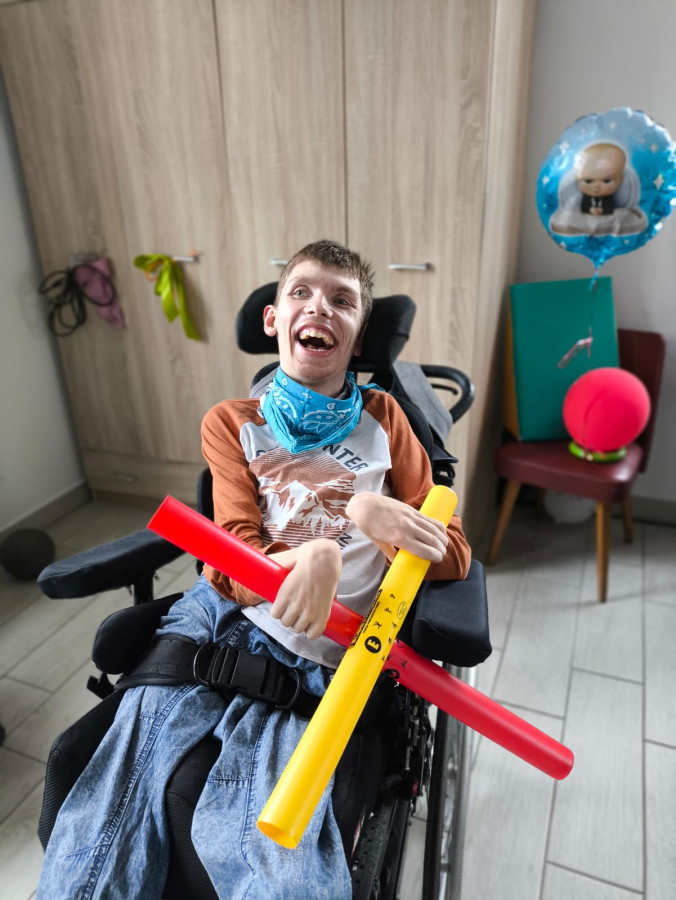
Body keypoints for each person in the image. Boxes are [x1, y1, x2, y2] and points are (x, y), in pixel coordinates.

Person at [37, 240, 471, 900]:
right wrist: (312, 554)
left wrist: (375, 517)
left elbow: (455, 554)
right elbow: (229, 554)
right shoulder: (233, 423)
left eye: (342, 300)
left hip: (325, 655)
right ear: (273, 319)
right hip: (218, 623)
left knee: (274, 866)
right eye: (301, 292)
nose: (319, 307)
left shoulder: (387, 421)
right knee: (103, 835)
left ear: (357, 338)